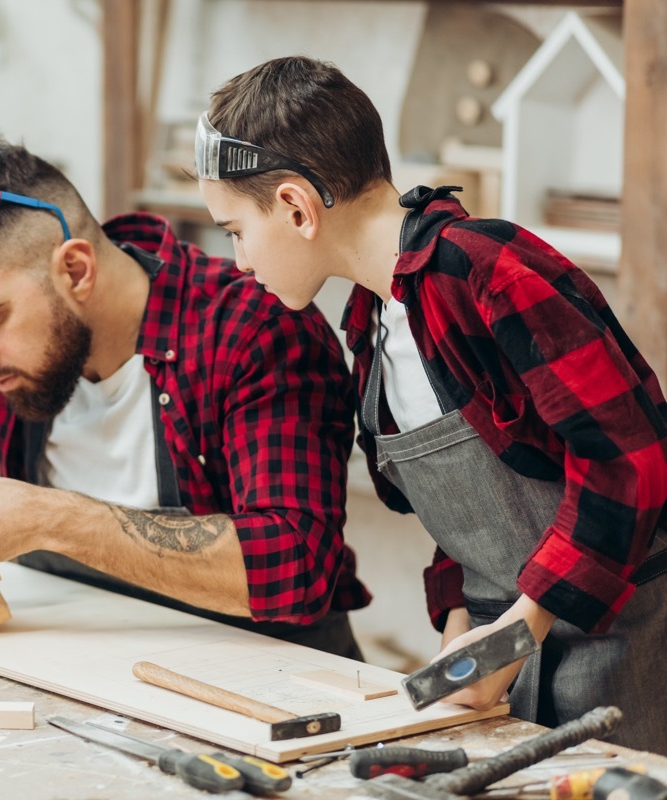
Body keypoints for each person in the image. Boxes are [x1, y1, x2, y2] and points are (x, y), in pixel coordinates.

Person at [195, 55, 667, 751]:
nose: (237, 259)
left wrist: (520, 627)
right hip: (509, 658)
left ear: (296, 207)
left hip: (623, 646)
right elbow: (468, 514)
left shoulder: (486, 270)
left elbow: (633, 461)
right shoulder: (373, 320)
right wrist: (461, 638)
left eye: (235, 230)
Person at [0, 140, 370, 657]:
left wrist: (49, 519)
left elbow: (296, 565)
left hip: (270, 681)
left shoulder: (252, 330)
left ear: (76, 270)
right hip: (91, 667)